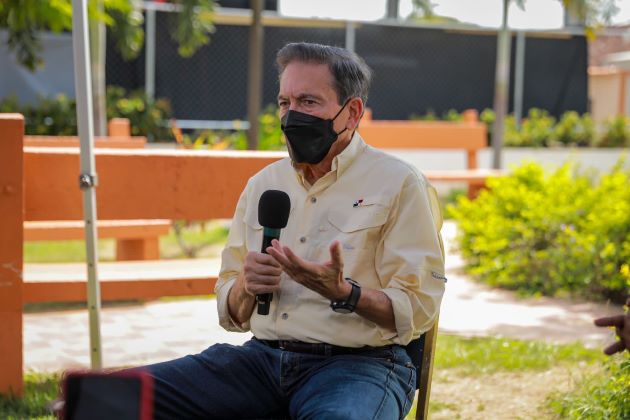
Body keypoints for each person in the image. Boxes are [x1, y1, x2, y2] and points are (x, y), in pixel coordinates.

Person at [142, 42, 446, 419]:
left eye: (308, 102)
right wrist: (245, 286)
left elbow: (419, 310)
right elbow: (232, 313)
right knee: (102, 398)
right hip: (260, 361)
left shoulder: (400, 184)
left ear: (351, 113)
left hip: (359, 367)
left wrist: (344, 293)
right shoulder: (263, 184)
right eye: (285, 103)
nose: (292, 116)